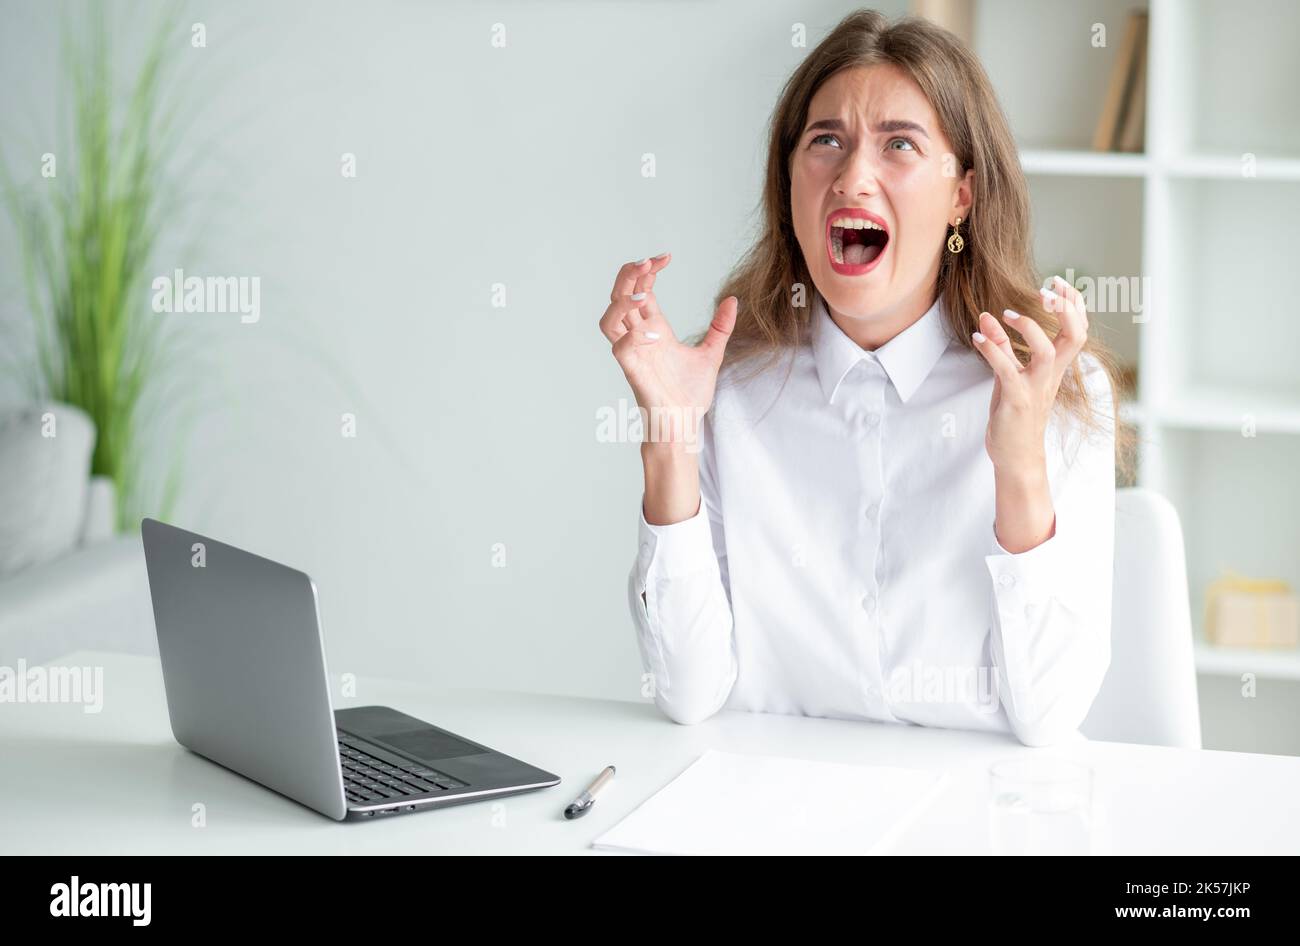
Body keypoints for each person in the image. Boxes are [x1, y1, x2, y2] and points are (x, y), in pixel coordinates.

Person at [597, 9, 1129, 747]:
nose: (852, 176)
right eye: (826, 142)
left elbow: (1047, 717)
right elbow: (688, 695)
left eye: (900, 144)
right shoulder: (728, 387)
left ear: (961, 195)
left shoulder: (1050, 390)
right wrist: (670, 441)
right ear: (789, 181)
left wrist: (1019, 466)